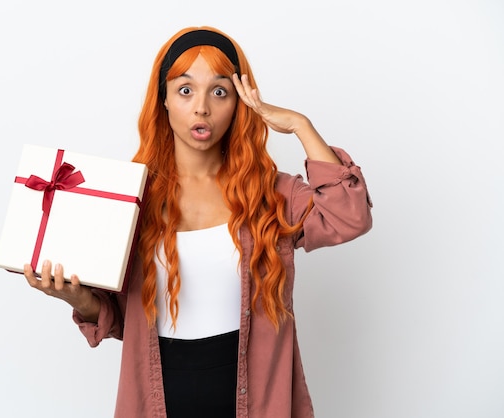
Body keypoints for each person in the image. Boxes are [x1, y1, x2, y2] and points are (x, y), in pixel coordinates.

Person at [23, 26, 373, 418]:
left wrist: (299, 125)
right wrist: (77, 298)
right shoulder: (131, 199)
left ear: (240, 103)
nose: (202, 107)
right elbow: (126, 323)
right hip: (159, 404)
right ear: (164, 101)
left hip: (255, 404)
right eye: (185, 90)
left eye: (219, 91)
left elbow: (349, 216)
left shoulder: (271, 195)